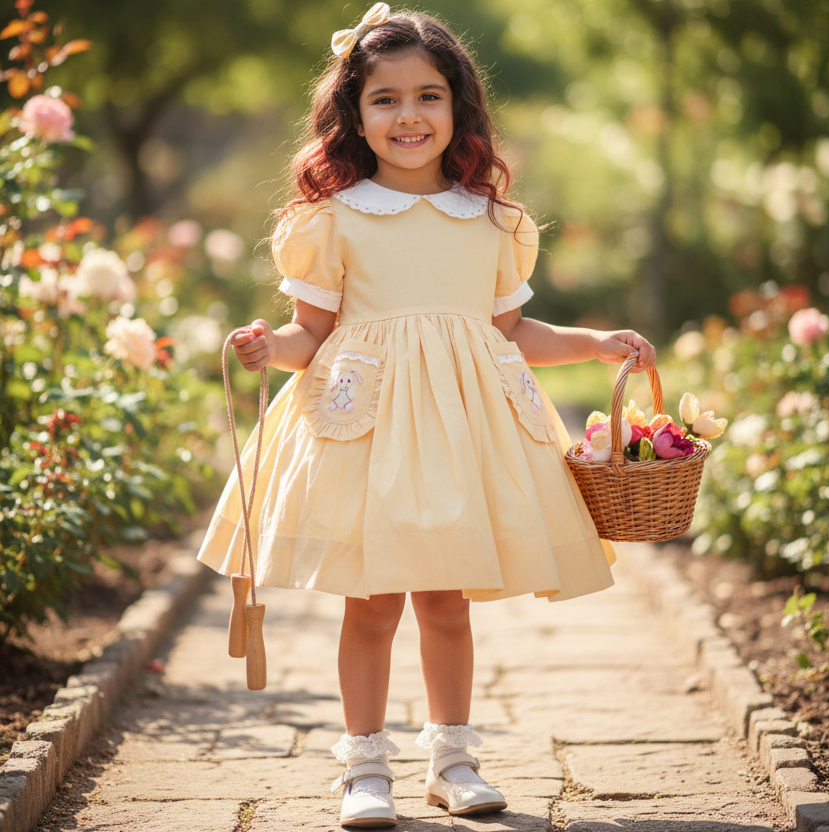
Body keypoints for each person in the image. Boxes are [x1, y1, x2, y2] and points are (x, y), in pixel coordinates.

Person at [197, 4, 656, 828]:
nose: (409, 115)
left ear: (459, 107)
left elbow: (512, 331)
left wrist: (591, 343)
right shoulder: (332, 219)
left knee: (447, 601)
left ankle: (452, 758)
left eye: (429, 96)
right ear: (353, 114)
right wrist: (275, 347)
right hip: (368, 430)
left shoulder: (490, 220)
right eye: (385, 99)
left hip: (460, 432)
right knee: (371, 603)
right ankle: (364, 769)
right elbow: (315, 333)